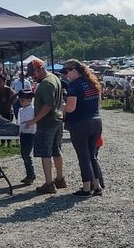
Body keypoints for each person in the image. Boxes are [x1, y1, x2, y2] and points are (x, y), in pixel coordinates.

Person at [61, 59, 104, 197]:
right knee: (92, 155)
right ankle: (96, 186)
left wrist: (59, 105)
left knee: (83, 156)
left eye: (67, 72)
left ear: (74, 70)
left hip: (80, 123)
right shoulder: (92, 83)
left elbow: (70, 108)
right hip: (96, 121)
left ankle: (86, 188)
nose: (66, 75)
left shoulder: (74, 85)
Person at [24, 59, 67, 194]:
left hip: (47, 122)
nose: (33, 77)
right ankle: (60, 179)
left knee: (45, 152)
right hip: (57, 120)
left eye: (34, 73)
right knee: (56, 150)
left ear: (40, 68)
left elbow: (48, 105)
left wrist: (34, 120)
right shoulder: (54, 78)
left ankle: (49, 184)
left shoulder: (47, 83)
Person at [17, 90, 37, 185]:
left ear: (29, 100)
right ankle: (30, 174)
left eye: (23, 100)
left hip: (31, 134)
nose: (21, 102)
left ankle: (31, 175)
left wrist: (31, 124)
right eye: (20, 100)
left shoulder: (33, 109)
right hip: (23, 134)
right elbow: (19, 122)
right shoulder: (20, 110)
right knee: (23, 154)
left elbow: (35, 121)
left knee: (26, 154)